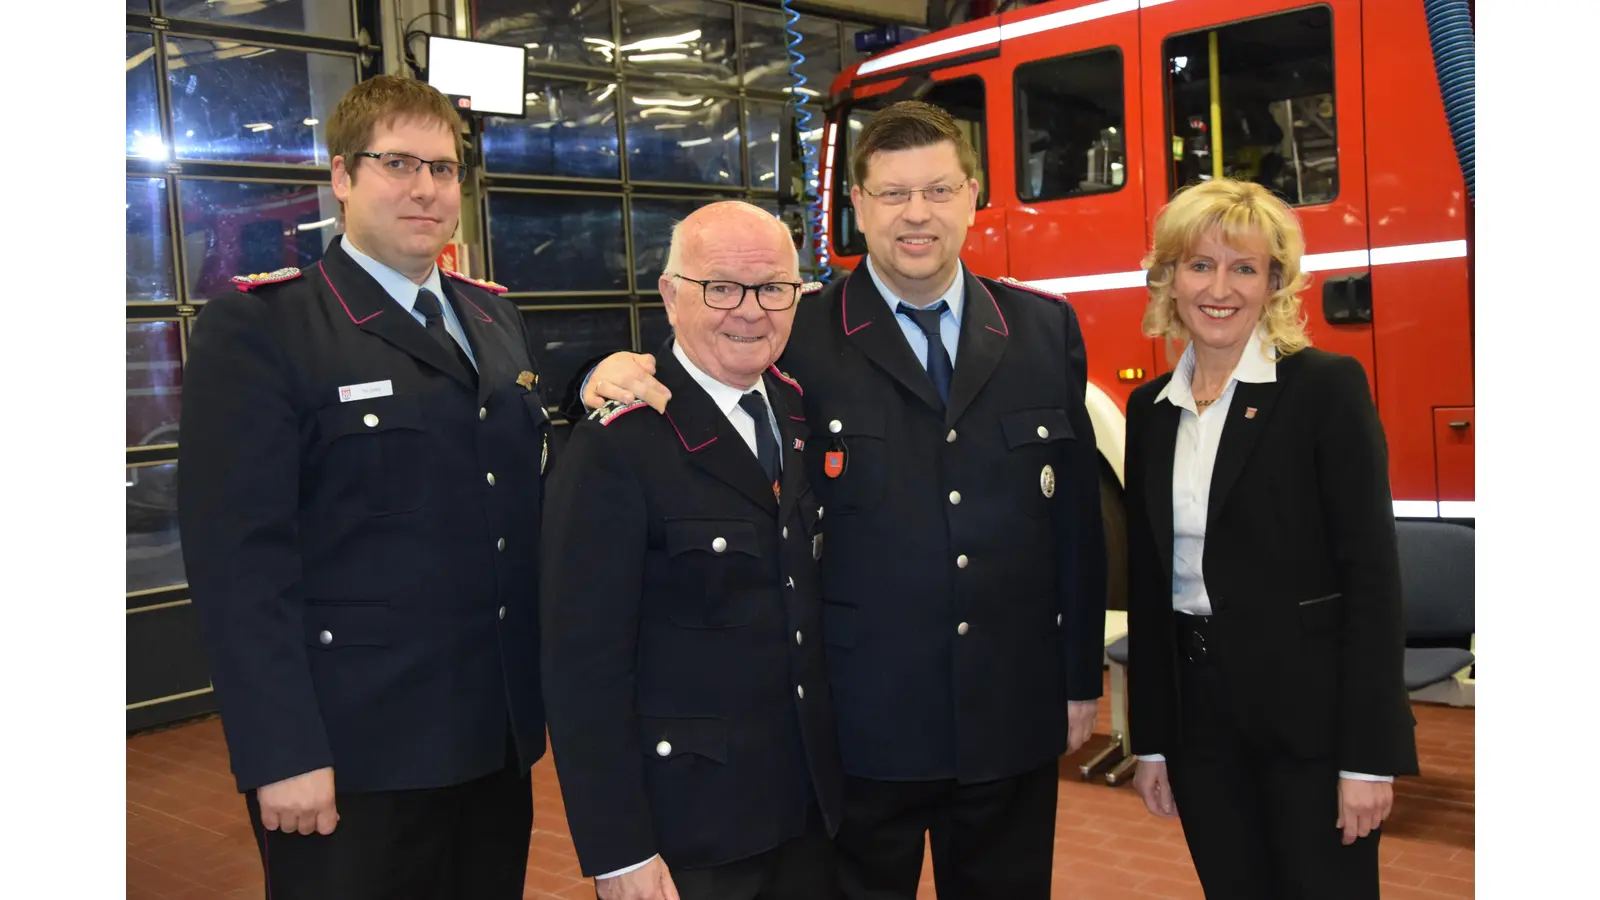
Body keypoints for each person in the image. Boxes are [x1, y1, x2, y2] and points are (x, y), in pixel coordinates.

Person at [576, 100, 1106, 900]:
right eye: (892, 194)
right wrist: (587, 377)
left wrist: (1078, 680)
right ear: (858, 207)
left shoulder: (1042, 329)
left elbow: (1075, 528)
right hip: (858, 735)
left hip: (1010, 718)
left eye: (937, 190)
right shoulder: (800, 331)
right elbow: (694, 371)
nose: (916, 215)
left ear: (973, 195)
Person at [177, 75, 552, 899]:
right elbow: (240, 562)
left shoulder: (491, 318)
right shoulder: (266, 327)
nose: (425, 188)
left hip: (491, 742)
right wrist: (281, 752)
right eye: (397, 163)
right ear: (341, 176)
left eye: (444, 169)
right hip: (354, 758)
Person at [1123, 178, 1419, 899]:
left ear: (1274, 283)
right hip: (1200, 728)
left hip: (1311, 728)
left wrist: (1368, 760)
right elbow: (1149, 583)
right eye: (1200, 265)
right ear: (1170, 278)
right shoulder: (1149, 411)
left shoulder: (1323, 389)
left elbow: (1373, 581)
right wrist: (1153, 740)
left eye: (1244, 267)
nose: (1219, 288)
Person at [541, 201, 842, 900]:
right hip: (690, 831)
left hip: (805, 813)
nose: (750, 311)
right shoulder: (617, 446)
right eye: (721, 288)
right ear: (671, 296)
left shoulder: (798, 412)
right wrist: (618, 850)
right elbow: (582, 668)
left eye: (773, 288)